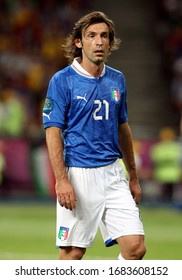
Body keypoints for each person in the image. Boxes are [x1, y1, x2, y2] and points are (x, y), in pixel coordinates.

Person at [43, 11, 146, 260]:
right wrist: (61, 180)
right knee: (72, 254)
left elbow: (123, 128)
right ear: (79, 41)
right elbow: (53, 132)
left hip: (112, 174)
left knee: (135, 248)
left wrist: (132, 176)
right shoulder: (62, 81)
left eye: (104, 36)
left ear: (110, 42)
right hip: (79, 174)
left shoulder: (117, 79)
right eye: (91, 36)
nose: (99, 42)